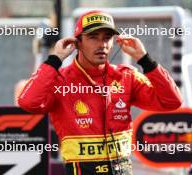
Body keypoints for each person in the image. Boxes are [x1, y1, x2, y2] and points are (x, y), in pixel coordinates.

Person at [18, 10, 182, 175]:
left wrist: (145, 59)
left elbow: (172, 101)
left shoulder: (126, 76)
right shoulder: (60, 80)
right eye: (93, 37)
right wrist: (55, 60)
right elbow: (27, 102)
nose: (102, 44)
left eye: (106, 38)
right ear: (77, 43)